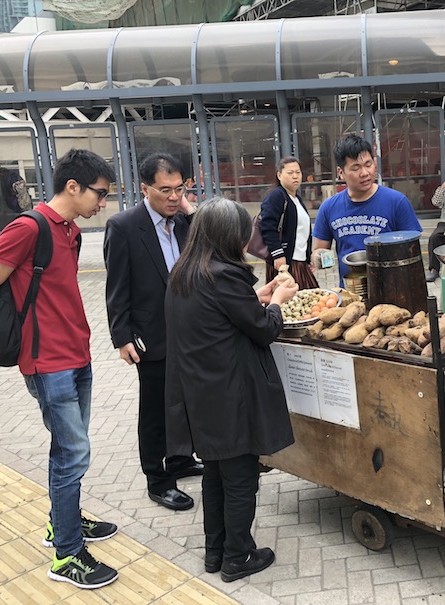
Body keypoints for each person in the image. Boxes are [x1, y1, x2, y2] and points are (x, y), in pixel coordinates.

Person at [0, 149, 119, 589]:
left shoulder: (70, 230)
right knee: (72, 452)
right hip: (46, 361)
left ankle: (65, 521)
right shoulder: (27, 228)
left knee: (71, 447)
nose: (103, 203)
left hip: (77, 353)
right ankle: (67, 555)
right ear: (72, 187)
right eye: (99, 193)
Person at [164, 197, 298, 582]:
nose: (246, 241)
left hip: (201, 394)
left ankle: (215, 552)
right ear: (228, 237)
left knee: (215, 475)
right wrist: (278, 303)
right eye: (243, 234)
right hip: (230, 394)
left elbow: (225, 311)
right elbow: (264, 329)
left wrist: (260, 295)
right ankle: (238, 557)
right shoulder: (223, 275)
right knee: (240, 478)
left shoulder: (186, 272)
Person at [104, 152, 203, 512]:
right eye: (165, 190)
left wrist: (189, 210)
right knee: (156, 409)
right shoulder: (124, 226)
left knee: (188, 401)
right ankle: (158, 479)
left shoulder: (182, 221)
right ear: (144, 188)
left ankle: (180, 459)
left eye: (180, 189)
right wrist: (122, 337)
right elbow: (116, 288)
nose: (174, 197)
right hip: (151, 333)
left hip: (189, 330)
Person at [312, 134, 422, 285]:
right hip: (351, 292)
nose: (364, 173)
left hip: (392, 290)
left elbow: (412, 251)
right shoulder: (329, 208)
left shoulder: (396, 202)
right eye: (356, 168)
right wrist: (319, 257)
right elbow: (319, 250)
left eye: (368, 164)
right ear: (341, 172)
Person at [260, 156, 318, 290]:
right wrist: (278, 253)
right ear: (279, 175)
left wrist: (308, 257)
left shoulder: (296, 199)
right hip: (285, 262)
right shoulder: (277, 196)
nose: (295, 176)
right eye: (290, 173)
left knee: (308, 300)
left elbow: (302, 233)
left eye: (298, 172)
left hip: (299, 260)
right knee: (293, 304)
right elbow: (267, 226)